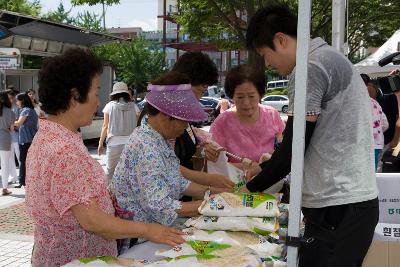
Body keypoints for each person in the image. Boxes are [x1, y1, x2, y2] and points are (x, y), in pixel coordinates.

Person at [244, 5, 378, 267]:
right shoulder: (326, 57)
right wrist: (265, 168)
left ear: (281, 40)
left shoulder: (310, 67)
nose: (267, 64)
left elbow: (293, 149)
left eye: (264, 54)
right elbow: (305, 141)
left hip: (338, 206)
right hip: (347, 204)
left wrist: (245, 193)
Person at [25, 48, 184, 267]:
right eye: (96, 92)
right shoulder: (65, 151)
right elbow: (93, 221)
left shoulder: (47, 136)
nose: (98, 102)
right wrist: (148, 229)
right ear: (74, 96)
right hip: (77, 259)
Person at [110, 71, 228, 253]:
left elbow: (178, 181)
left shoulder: (159, 139)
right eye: (183, 122)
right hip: (141, 237)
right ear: (166, 116)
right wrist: (212, 204)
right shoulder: (146, 145)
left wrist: (216, 193)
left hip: (154, 231)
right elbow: (160, 205)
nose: (184, 128)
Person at [170, 52, 234, 190]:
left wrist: (202, 150)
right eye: (197, 91)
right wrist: (208, 183)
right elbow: (164, 165)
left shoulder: (181, 112)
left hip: (184, 192)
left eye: (202, 92)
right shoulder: (163, 115)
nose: (198, 98)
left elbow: (185, 146)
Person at [206, 64, 285, 166]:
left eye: (251, 96)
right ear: (232, 96)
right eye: (240, 97)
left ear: (260, 94)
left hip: (270, 178)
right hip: (236, 180)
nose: (246, 102)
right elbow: (216, 163)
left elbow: (283, 147)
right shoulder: (222, 123)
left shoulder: (272, 115)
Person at [98, 81, 140, 182]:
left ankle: (110, 195)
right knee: (129, 172)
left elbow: (105, 126)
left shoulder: (109, 106)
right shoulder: (134, 106)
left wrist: (100, 143)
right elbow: (138, 125)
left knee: (111, 172)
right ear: (126, 93)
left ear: (114, 94)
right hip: (131, 143)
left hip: (114, 143)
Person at [361, 73, 389, 170]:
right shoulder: (375, 103)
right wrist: (377, 132)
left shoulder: (354, 102)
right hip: (376, 144)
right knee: (373, 173)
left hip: (361, 144)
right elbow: (385, 124)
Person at [14, 93, 38, 188]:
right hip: (31, 139)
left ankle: (23, 181)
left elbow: (19, 123)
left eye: (17, 100)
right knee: (28, 161)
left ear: (22, 100)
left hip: (26, 139)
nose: (16, 102)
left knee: (23, 161)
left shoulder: (26, 110)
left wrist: (9, 121)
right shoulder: (30, 110)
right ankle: (25, 181)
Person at [0, 91, 15, 195]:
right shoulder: (10, 112)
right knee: (5, 165)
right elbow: (12, 129)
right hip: (4, 139)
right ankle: (4, 188)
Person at [5, 89, 19, 183]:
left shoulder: (17, 106)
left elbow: (18, 120)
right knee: (10, 157)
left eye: (10, 97)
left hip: (16, 134)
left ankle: (22, 176)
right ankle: (13, 177)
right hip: (7, 135)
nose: (9, 99)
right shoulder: (5, 107)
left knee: (19, 156)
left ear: (14, 97)